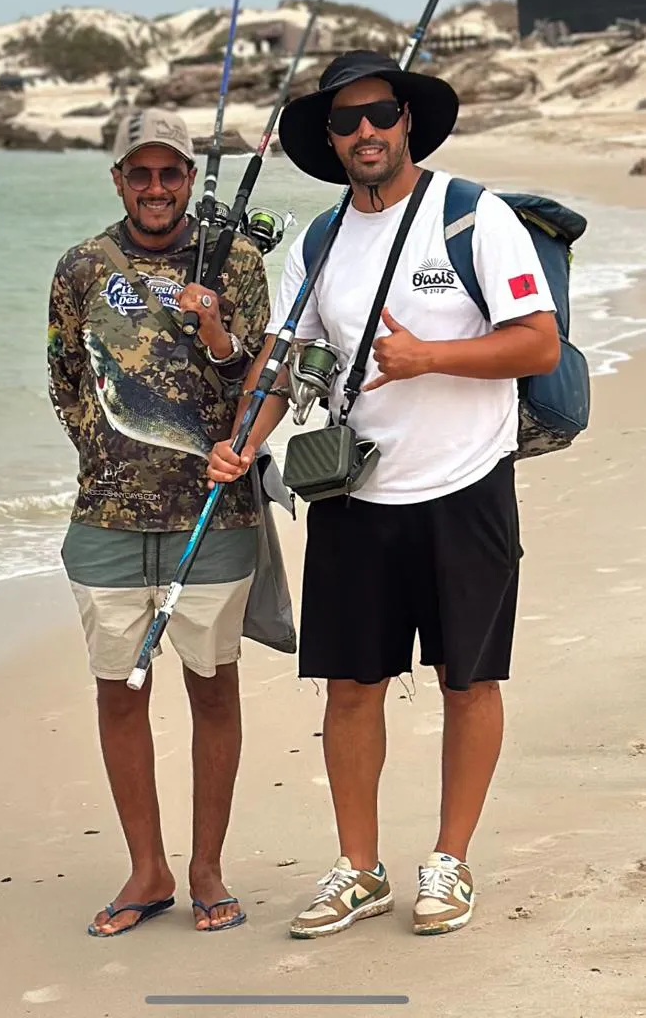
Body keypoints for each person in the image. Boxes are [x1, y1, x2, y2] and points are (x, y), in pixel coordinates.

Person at [207, 50, 559, 940]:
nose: (366, 131)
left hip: (465, 486)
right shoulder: (322, 241)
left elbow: (538, 345)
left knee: (468, 680)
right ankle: (358, 870)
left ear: (409, 121)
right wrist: (242, 441)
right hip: (354, 493)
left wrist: (431, 357)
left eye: (380, 114)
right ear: (328, 141)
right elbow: (284, 359)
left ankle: (449, 861)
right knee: (349, 684)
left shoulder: (472, 217)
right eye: (346, 121)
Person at [47, 108, 270, 936]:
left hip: (215, 515)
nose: (155, 187)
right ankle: (148, 868)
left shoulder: (237, 260)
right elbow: (67, 377)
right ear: (117, 181)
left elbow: (261, 380)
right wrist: (112, 461)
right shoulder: (81, 266)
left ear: (188, 176)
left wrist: (214, 327)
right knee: (118, 689)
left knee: (213, 688)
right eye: (139, 173)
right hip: (105, 516)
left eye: (170, 172)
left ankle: (207, 868)